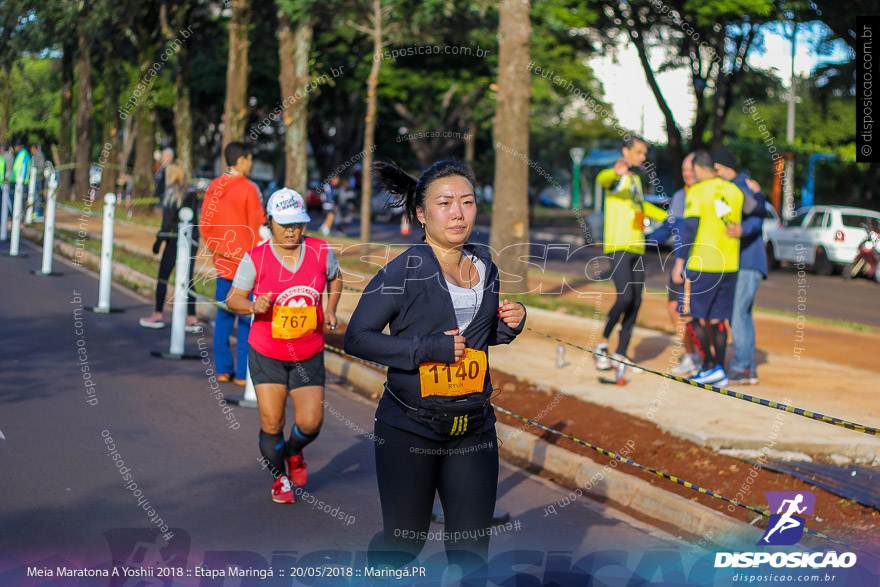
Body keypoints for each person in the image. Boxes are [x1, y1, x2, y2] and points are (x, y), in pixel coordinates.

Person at [344, 160, 526, 576]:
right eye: (445, 203)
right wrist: (427, 349)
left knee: (470, 554)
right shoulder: (402, 271)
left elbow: (476, 338)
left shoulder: (485, 267)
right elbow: (358, 337)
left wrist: (511, 325)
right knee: (403, 545)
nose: (458, 213)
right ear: (422, 215)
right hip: (409, 428)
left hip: (473, 429)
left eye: (467, 202)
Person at [226, 188, 342, 504]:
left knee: (311, 422)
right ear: (270, 222)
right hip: (267, 352)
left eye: (297, 223)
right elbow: (232, 298)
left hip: (308, 351)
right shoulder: (256, 258)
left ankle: (293, 451)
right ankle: (281, 480)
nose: (291, 230)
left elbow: (335, 278)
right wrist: (252, 306)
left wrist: (330, 309)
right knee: (272, 422)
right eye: (284, 223)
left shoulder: (320, 251)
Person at [594, 136, 667, 372]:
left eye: (644, 153)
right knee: (624, 298)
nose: (643, 157)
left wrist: (669, 217)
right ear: (625, 151)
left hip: (637, 246)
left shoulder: (635, 178)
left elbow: (641, 207)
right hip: (619, 245)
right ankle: (603, 343)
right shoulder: (615, 177)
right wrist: (615, 172)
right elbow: (602, 179)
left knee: (636, 301)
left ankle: (622, 353)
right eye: (639, 152)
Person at [672, 151, 744, 386]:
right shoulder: (735, 191)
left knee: (690, 314)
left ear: (697, 170)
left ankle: (710, 365)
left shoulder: (698, 191)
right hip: (729, 264)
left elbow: (690, 229)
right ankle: (719, 371)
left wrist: (680, 261)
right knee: (718, 318)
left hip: (703, 263)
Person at [200, 142, 266, 385]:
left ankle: (223, 369)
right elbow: (258, 227)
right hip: (246, 265)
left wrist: (218, 249)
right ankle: (242, 373)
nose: (251, 164)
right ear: (242, 160)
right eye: (249, 159)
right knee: (247, 318)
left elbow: (205, 224)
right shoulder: (250, 188)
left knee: (223, 318)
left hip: (223, 263)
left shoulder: (214, 186)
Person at [713, 148, 767, 385]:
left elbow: (757, 213)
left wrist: (743, 229)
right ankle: (749, 368)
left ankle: (742, 367)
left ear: (726, 168)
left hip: (748, 261)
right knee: (743, 315)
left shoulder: (740, 184)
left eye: (716, 169)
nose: (714, 174)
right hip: (744, 261)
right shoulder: (737, 185)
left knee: (737, 315)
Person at [646, 153, 702, 377]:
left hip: (698, 263)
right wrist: (645, 241)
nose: (687, 174)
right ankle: (692, 355)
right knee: (674, 309)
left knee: (695, 314)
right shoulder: (680, 196)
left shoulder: (706, 195)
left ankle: (706, 358)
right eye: (684, 170)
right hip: (680, 263)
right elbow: (668, 228)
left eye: (691, 169)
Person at [139, 161, 202, 332]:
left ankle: (158, 314)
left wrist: (158, 243)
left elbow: (167, 225)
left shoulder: (172, 195)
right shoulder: (190, 195)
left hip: (174, 240)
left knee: (163, 277)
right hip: (191, 240)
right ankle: (192, 318)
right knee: (188, 278)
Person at [30, 144, 46, 219]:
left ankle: (39, 213)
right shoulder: (35, 156)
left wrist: (35, 173)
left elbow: (41, 167)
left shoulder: (40, 155)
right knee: (36, 195)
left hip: (39, 178)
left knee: (39, 195)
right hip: (35, 179)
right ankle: (36, 212)